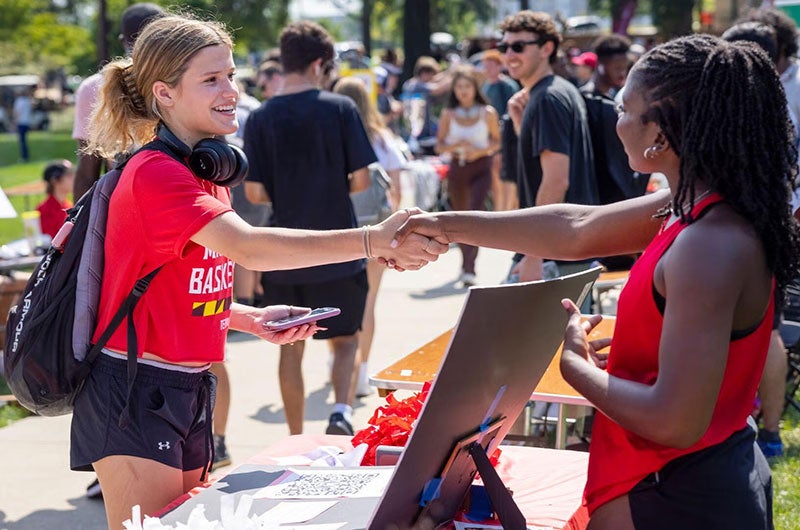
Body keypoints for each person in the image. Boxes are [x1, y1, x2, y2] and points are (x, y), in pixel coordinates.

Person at [393, 34, 799, 529]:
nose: (615, 118)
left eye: (625, 108)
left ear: (661, 133)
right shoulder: (693, 205)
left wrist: (575, 367)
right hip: (680, 483)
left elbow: (676, 421)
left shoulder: (708, 243)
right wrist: (445, 225)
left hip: (680, 495)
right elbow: (578, 228)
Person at [73, 13, 445, 529]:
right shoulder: (157, 173)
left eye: (231, 75)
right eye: (211, 80)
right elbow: (248, 247)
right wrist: (371, 240)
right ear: (164, 93)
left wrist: (248, 318)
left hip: (185, 386)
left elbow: (174, 290)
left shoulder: (206, 172)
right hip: (136, 388)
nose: (231, 90)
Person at [243, 21, 377, 437]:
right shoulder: (340, 109)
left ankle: (296, 434)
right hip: (338, 246)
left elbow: (255, 192)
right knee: (345, 337)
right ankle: (340, 410)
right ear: (320, 63)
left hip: (282, 252)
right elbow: (362, 181)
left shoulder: (262, 117)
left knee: (289, 346)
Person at [722, 19, 796, 460]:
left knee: (758, 336)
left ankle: (758, 430)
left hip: (746, 240)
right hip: (772, 234)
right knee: (766, 334)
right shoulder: (777, 110)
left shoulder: (731, 113)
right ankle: (767, 432)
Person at [500, 10, 597, 283]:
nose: (509, 54)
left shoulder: (548, 99)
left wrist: (534, 256)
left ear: (547, 48)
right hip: (562, 251)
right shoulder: (559, 90)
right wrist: (522, 127)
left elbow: (557, 179)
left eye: (518, 46)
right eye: (504, 47)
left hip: (553, 256)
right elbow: (543, 167)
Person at [334, 76, 407, 398]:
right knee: (369, 301)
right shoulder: (380, 138)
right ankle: (362, 370)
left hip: (339, 231)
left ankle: (340, 361)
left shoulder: (331, 136)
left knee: (338, 300)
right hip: (376, 229)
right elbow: (397, 190)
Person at [71, 2, 165, 200]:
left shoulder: (94, 87)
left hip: (123, 204)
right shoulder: (180, 80)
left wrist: (78, 225)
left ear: (123, 41)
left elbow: (88, 171)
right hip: (177, 197)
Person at [435, 65, 500, 287]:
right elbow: (439, 145)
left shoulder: (487, 112)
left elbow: (496, 141)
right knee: (460, 219)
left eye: (467, 86)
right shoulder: (448, 114)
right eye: (459, 87)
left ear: (475, 88)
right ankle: (465, 263)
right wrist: (455, 146)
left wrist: (480, 150)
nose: (463, 91)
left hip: (481, 167)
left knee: (475, 212)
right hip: (457, 168)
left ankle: (470, 267)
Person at [480, 48, 519, 212]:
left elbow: (510, 115)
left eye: (490, 65)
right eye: (485, 66)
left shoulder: (508, 86)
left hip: (507, 142)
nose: (487, 69)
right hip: (491, 141)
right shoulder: (486, 87)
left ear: (498, 66)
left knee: (509, 181)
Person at [36, 160, 75, 239]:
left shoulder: (70, 206)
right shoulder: (43, 210)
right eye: (69, 175)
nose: (74, 178)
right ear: (54, 180)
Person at [13, 87, 33, 163]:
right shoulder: (27, 101)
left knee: (22, 141)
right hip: (27, 122)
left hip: (21, 122)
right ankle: (26, 155)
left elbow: (17, 112)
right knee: (24, 140)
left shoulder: (19, 101)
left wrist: (15, 122)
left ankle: (24, 157)